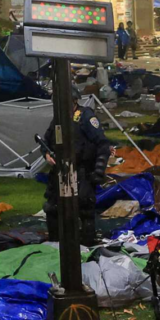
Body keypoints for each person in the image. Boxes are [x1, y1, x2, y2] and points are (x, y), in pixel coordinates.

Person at [41, 86, 113, 246]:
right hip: (60, 172)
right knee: (52, 209)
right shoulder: (58, 119)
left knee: (84, 210)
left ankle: (86, 246)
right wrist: (46, 154)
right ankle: (55, 245)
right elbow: (46, 141)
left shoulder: (85, 117)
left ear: (73, 101)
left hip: (82, 172)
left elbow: (103, 145)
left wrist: (98, 171)